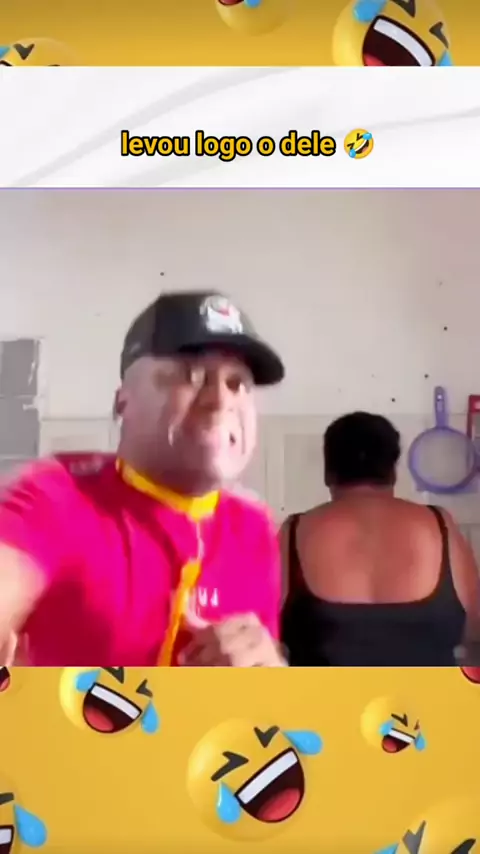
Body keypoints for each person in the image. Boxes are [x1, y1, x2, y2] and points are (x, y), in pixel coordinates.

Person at [0, 290, 287, 667]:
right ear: (124, 402)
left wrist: (269, 669)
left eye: (238, 383)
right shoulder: (56, 496)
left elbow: (266, 686)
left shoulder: (252, 529)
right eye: (193, 375)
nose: (221, 400)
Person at [280, 411, 480, 666]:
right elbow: (474, 630)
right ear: (392, 472)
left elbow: (260, 633)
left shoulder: (295, 531)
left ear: (328, 472)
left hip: (320, 693)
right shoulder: (439, 525)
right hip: (427, 693)